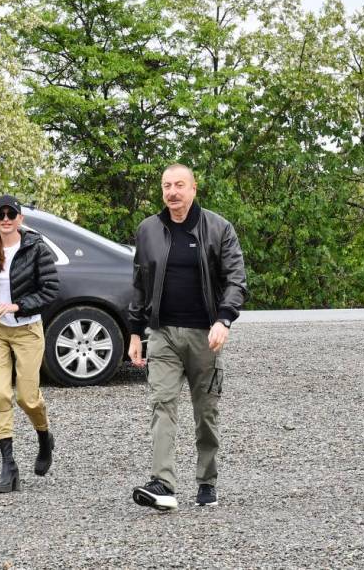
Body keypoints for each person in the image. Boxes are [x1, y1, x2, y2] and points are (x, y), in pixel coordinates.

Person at [128, 164, 247, 510]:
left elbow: (236, 279)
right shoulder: (148, 230)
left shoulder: (219, 228)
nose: (172, 192)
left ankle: (207, 481)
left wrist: (224, 320)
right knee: (162, 403)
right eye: (166, 185)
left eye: (179, 185)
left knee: (206, 412)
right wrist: (135, 332)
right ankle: (163, 483)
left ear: (194, 188)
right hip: (162, 333)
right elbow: (139, 284)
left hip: (205, 335)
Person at [0, 195, 60, 493]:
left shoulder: (36, 249)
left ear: (20, 218)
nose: (6, 219)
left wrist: (17, 306)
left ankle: (44, 436)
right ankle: (9, 466)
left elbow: (50, 289)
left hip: (27, 329)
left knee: (27, 398)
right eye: (0, 214)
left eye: (11, 214)